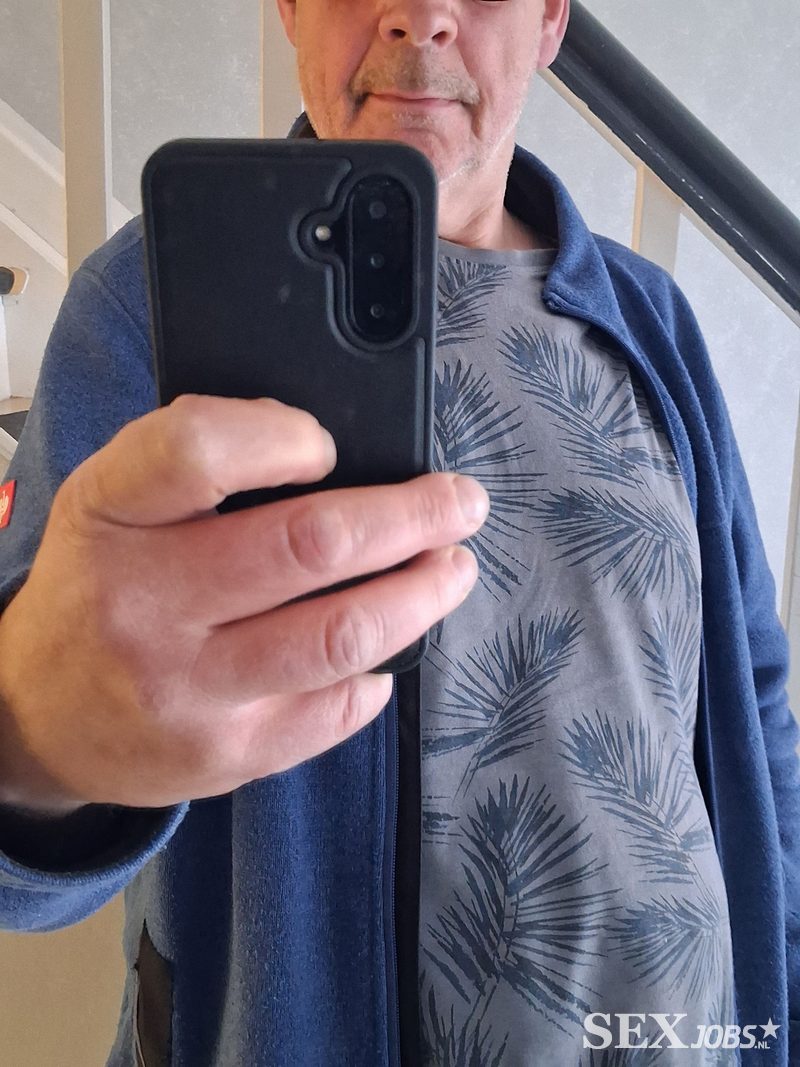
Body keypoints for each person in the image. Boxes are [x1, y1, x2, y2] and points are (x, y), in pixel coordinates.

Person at [0, 0, 797, 1063]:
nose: (419, 17)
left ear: (549, 20)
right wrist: (28, 749)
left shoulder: (654, 320)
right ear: (289, 8)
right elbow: (25, 842)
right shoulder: (145, 303)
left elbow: (752, 703)